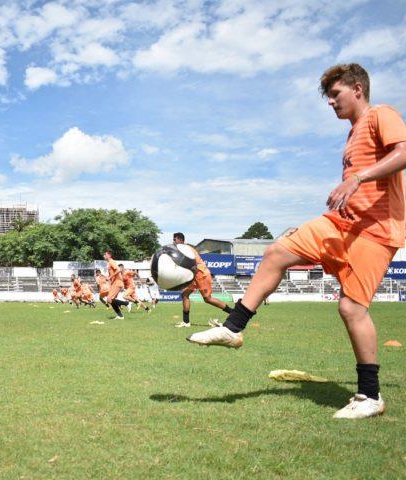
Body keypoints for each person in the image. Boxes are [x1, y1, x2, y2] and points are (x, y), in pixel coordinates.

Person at [188, 64, 406, 419]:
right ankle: (233, 328)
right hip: (340, 225)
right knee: (276, 251)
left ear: (357, 89)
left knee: (351, 309)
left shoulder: (381, 114)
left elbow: (403, 152)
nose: (331, 103)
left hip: (376, 231)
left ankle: (370, 396)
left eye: (336, 94)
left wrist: (358, 179)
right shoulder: (351, 136)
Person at [172, 232, 233, 328]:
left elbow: (192, 264)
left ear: (180, 240)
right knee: (185, 294)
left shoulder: (186, 248)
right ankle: (186, 322)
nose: (173, 241)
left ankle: (232, 312)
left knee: (208, 299)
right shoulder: (182, 249)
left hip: (201, 274)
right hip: (194, 275)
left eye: (174, 239)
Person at [104, 251, 130, 319]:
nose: (104, 255)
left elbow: (118, 269)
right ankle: (120, 316)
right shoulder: (109, 263)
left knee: (109, 299)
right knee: (111, 301)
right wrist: (109, 278)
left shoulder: (111, 262)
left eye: (105, 254)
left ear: (109, 255)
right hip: (114, 283)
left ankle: (126, 303)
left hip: (117, 282)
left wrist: (110, 277)